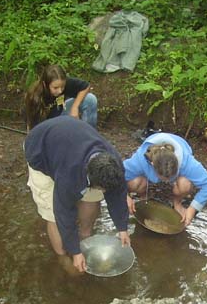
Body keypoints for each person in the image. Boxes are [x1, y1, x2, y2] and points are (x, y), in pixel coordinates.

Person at [24, 116, 130, 273]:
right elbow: (63, 214)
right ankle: (62, 257)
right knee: (53, 215)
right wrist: (75, 252)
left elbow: (118, 193)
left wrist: (122, 227)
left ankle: (85, 236)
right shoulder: (69, 176)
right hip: (40, 150)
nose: (105, 193)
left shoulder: (114, 164)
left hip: (70, 139)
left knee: (93, 199)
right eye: (102, 188)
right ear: (89, 178)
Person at [124, 132, 207, 226]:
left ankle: (177, 202)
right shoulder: (140, 160)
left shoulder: (187, 162)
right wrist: (125, 196)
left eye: (170, 178)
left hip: (180, 147)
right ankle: (144, 196)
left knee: (185, 184)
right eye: (164, 178)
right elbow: (117, 175)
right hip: (149, 161)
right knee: (134, 183)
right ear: (152, 165)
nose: (167, 181)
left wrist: (192, 209)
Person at [24, 64, 98, 130]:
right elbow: (31, 124)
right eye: (55, 88)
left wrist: (75, 107)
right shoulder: (35, 97)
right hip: (48, 126)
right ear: (45, 84)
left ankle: (88, 136)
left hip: (62, 113)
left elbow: (85, 86)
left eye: (62, 87)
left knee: (90, 99)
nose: (60, 91)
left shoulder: (63, 83)